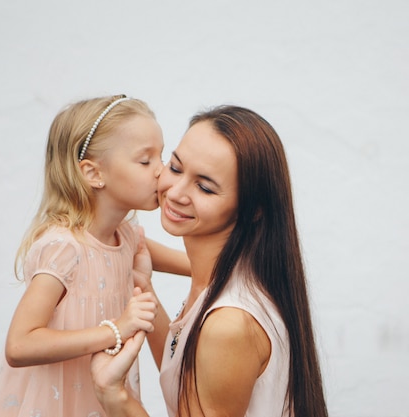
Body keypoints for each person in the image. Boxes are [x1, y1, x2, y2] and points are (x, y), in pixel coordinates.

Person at [91, 105, 329, 416]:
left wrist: (114, 395)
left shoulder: (228, 323)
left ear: (252, 209)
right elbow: (188, 378)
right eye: (175, 168)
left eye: (204, 187)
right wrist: (144, 288)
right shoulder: (223, 284)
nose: (175, 192)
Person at [0, 94, 190, 417]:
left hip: (98, 401)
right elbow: (19, 345)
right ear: (93, 174)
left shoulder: (127, 236)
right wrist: (116, 329)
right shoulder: (64, 248)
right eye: (145, 161)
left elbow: (195, 266)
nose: (161, 173)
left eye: (160, 157)